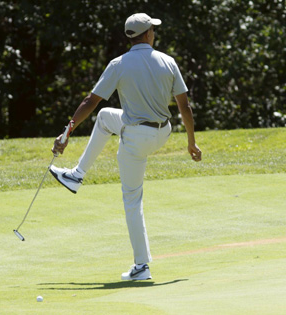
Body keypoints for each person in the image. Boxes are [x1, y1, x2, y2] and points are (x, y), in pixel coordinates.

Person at [50, 13, 202, 281]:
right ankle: (76, 175)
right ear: (147, 34)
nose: (154, 32)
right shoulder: (168, 61)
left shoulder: (118, 64)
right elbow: (184, 106)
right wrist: (191, 141)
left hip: (135, 137)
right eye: (153, 29)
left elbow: (90, 100)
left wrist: (67, 132)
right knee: (107, 116)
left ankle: (142, 267)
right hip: (162, 132)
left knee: (132, 200)